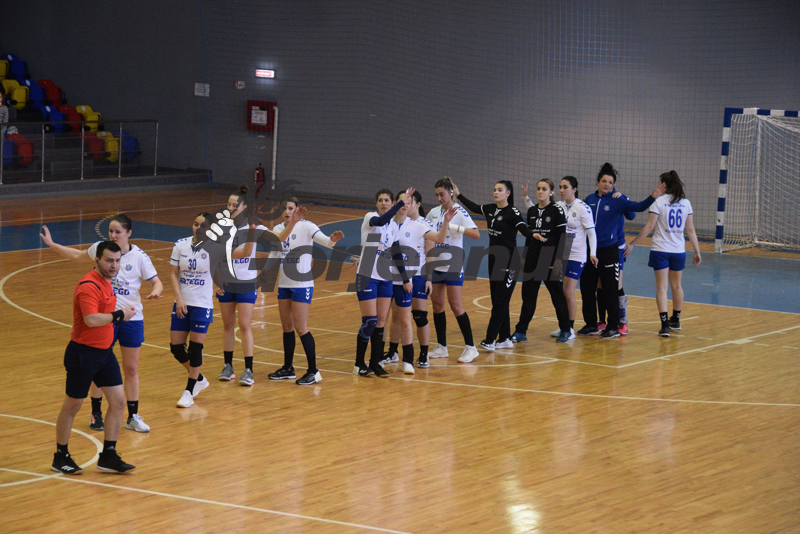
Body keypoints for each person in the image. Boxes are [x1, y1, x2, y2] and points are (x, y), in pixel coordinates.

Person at [41, 215, 163, 433]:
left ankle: (133, 416)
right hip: (106, 319)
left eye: (118, 232)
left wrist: (155, 291)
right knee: (98, 366)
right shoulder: (101, 250)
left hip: (131, 319)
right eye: (110, 231)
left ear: (129, 233)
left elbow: (157, 282)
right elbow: (77, 255)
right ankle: (96, 413)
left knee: (131, 368)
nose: (113, 235)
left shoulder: (139, 257)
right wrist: (52, 244)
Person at [51, 241, 136, 474]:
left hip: (104, 353)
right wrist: (120, 315)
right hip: (83, 354)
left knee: (118, 402)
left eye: (117, 261)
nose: (114, 265)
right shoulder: (88, 285)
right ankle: (60, 456)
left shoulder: (107, 281)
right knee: (73, 405)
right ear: (97, 260)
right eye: (109, 261)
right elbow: (91, 319)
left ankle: (108, 455)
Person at [169, 212, 256, 407]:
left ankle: (189, 390)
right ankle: (199, 379)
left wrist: (251, 232)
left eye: (203, 226)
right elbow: (173, 274)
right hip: (182, 303)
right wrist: (179, 298)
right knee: (176, 347)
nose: (198, 228)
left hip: (202, 304)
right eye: (195, 224)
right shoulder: (180, 245)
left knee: (195, 348)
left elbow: (244, 253)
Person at [578, 163, 665, 339]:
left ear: (614, 185)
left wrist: (652, 197)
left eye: (610, 182)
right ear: (598, 182)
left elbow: (638, 207)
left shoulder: (617, 199)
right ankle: (591, 324)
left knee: (611, 289)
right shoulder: (589, 200)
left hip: (609, 250)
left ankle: (613, 326)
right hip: (590, 250)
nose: (607, 184)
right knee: (587, 288)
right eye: (604, 181)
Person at [267, 197, 342, 385]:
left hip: (302, 285)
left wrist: (332, 240)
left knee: (301, 328)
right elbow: (274, 254)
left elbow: (325, 241)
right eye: (284, 208)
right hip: (284, 284)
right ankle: (288, 368)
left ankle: (314, 371)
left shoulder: (307, 226)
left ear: (296, 210)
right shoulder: (278, 229)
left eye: (290, 208)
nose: (287, 211)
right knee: (287, 327)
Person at [454, 179, 532, 355]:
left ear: (508, 193)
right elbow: (474, 207)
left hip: (509, 261)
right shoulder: (490, 209)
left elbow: (523, 228)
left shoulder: (512, 212)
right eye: (495, 189)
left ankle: (490, 339)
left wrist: (533, 235)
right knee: (498, 300)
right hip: (494, 259)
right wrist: (459, 196)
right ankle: (504, 338)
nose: (496, 192)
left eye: (500, 190)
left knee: (500, 301)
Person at [383, 190, 454, 374]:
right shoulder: (391, 224)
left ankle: (423, 354)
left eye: (409, 201)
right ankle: (392, 351)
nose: (406, 204)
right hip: (396, 275)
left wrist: (429, 278)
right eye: (402, 201)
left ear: (417, 204)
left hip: (418, 273)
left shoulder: (422, 225)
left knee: (419, 315)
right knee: (396, 314)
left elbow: (431, 252)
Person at [625, 170, 701, 336]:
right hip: (678, 251)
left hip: (660, 249)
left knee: (662, 287)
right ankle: (676, 320)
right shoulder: (686, 203)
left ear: (664, 185)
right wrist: (697, 251)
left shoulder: (658, 202)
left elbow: (649, 227)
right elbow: (690, 229)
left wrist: (632, 243)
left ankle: (665, 325)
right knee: (677, 286)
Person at [353, 188, 416, 377]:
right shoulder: (371, 218)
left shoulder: (394, 227)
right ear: (376, 204)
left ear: (391, 202)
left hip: (385, 278)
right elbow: (381, 221)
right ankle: (358, 364)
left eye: (386, 200)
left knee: (381, 321)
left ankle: (375, 363)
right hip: (367, 276)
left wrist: (405, 278)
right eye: (380, 200)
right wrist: (400, 203)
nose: (383, 203)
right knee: (370, 321)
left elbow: (396, 254)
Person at [216, 185, 269, 387]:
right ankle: (228, 366)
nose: (230, 208)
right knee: (227, 325)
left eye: (234, 205)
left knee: (245, 325)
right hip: (226, 282)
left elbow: (278, 239)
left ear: (244, 207)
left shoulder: (254, 226)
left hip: (246, 282)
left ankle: (248, 370)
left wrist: (293, 224)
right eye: (228, 204)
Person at [425, 178, 480, 363]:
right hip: (436, 264)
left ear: (450, 192)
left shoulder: (459, 212)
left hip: (453, 265)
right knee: (437, 305)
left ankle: (471, 347)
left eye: (442, 194)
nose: (439, 198)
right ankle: (442, 347)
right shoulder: (433, 213)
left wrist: (454, 226)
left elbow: (476, 234)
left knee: (455, 305)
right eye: (436, 195)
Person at [511, 179, 571, 342]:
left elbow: (563, 236)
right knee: (528, 297)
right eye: (538, 189)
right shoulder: (532, 211)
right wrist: (524, 257)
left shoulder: (556, 210)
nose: (540, 191)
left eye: (544, 189)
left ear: (551, 192)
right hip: (533, 258)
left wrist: (558, 259)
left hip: (549, 258)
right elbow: (529, 236)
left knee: (557, 296)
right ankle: (521, 331)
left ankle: (566, 330)